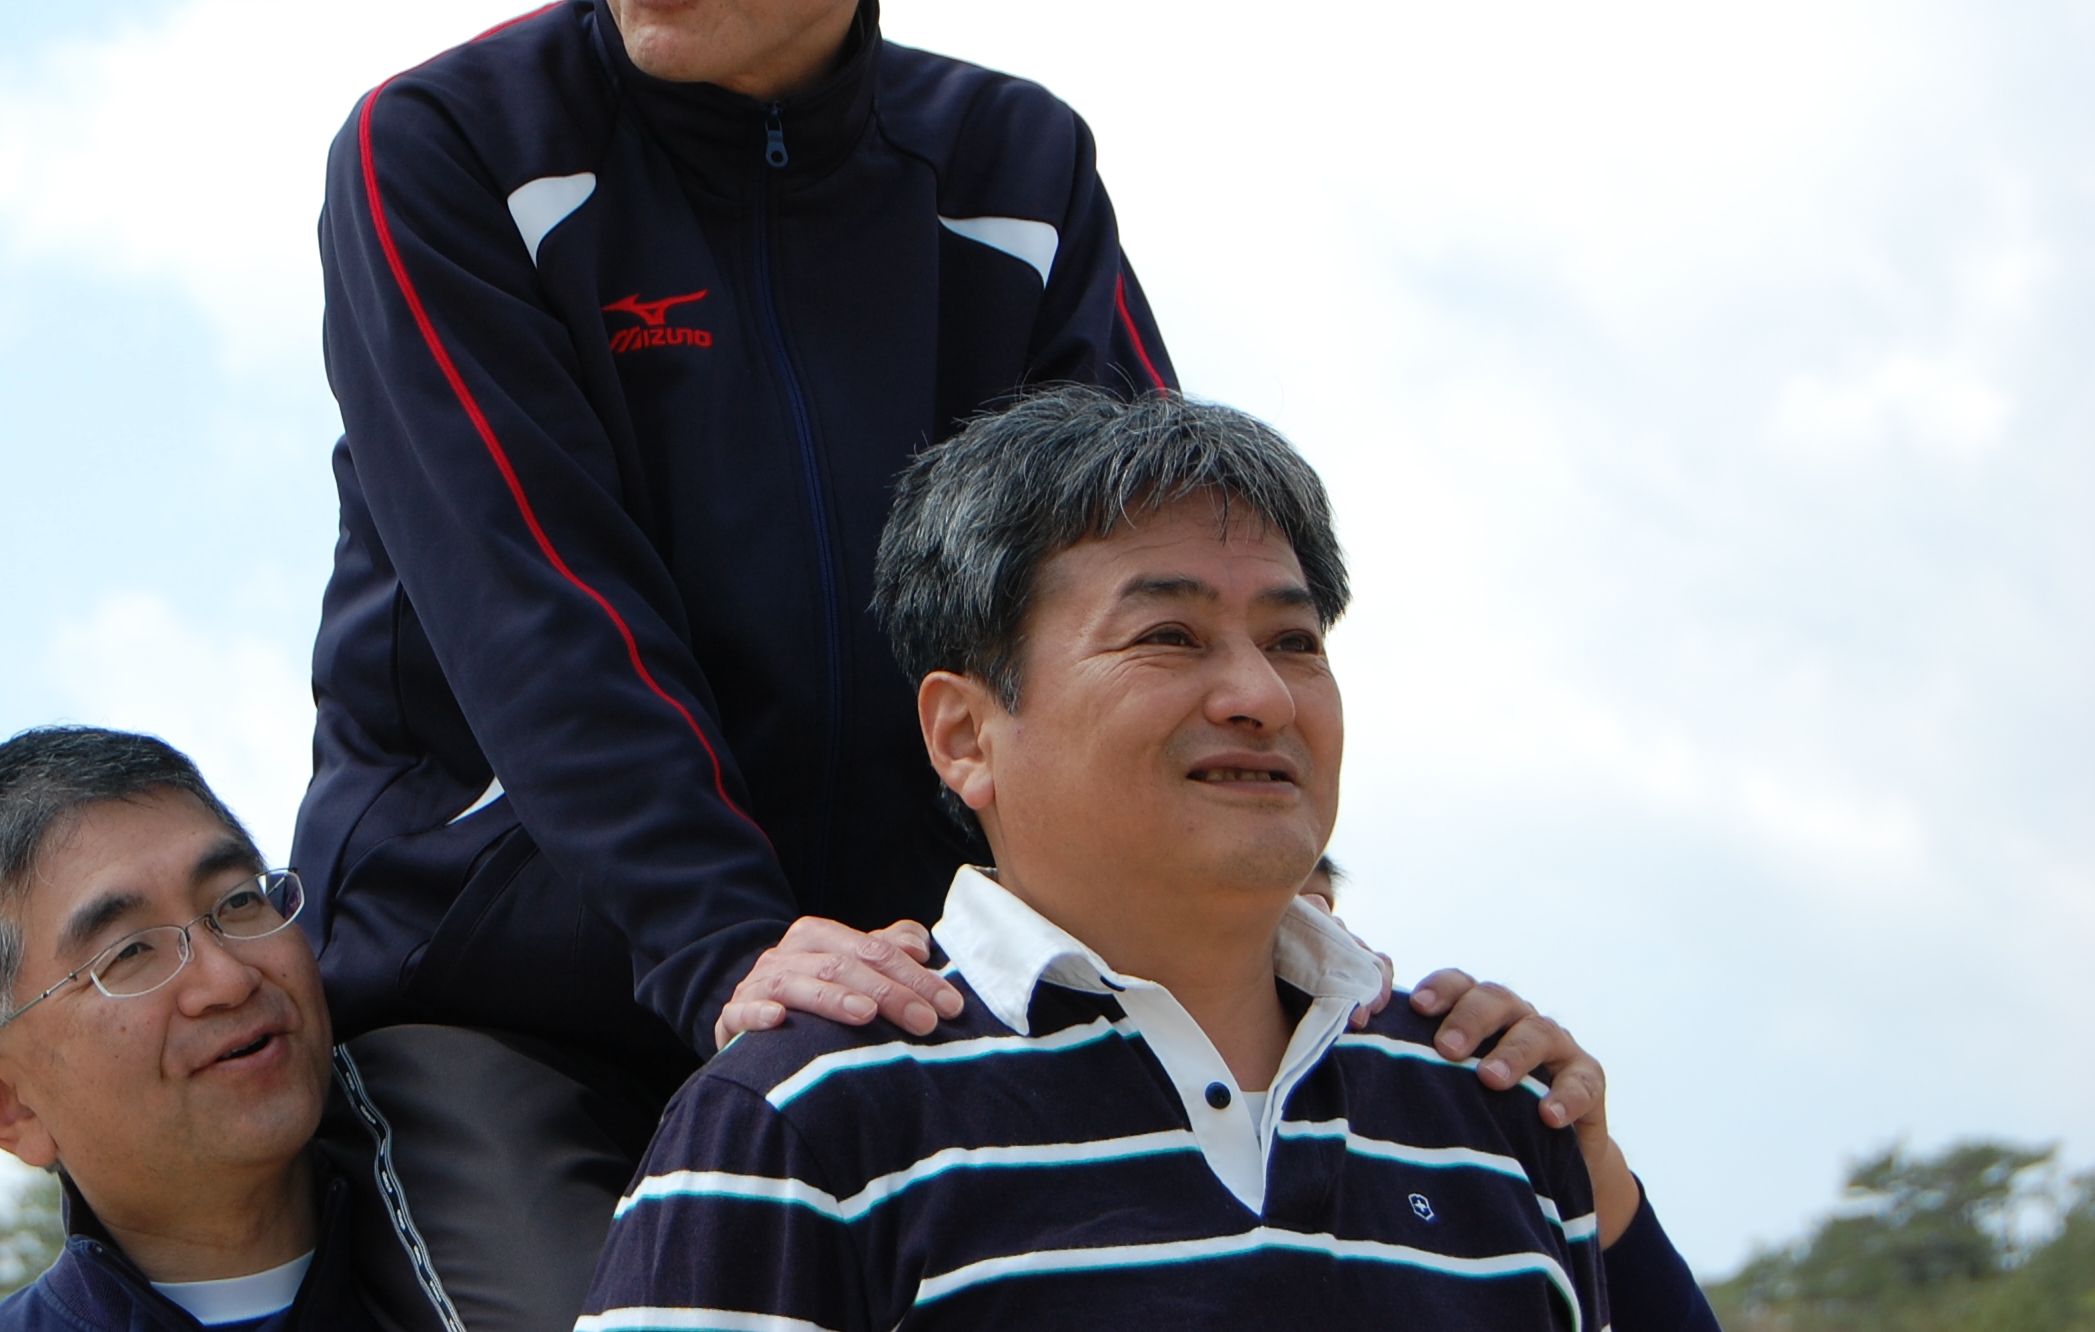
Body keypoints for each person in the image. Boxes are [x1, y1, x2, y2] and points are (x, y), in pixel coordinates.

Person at [293, 0, 1621, 1332]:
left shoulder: (1010, 173)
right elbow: (534, 603)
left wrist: (1304, 956)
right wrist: (724, 946)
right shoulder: (449, 152)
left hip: (906, 985)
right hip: (512, 992)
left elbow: (1154, 598)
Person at [576, 388, 1720, 1329]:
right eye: (1168, 635)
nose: (1261, 695)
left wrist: (1594, 1175)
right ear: (965, 733)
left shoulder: (1489, 1108)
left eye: (1292, 640)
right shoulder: (807, 1113)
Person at [0, 727, 442, 1332]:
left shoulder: (498, 1238)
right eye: (129, 953)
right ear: (8, 1104)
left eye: (237, 901)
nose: (228, 979)